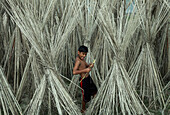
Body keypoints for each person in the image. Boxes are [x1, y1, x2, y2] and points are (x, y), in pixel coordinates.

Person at [73, 45, 97, 113]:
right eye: (83, 54)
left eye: (85, 54)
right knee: (85, 96)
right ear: (78, 52)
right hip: (83, 81)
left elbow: (86, 66)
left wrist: (90, 65)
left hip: (88, 78)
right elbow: (74, 72)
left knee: (94, 90)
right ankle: (83, 109)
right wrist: (85, 70)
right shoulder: (78, 61)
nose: (84, 56)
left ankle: (93, 106)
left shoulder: (82, 59)